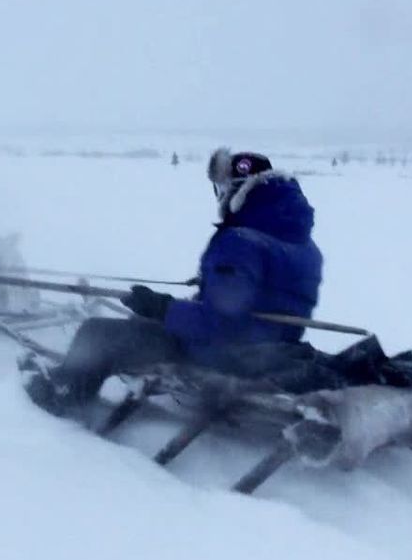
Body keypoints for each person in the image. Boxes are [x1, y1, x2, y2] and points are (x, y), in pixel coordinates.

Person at [25, 147, 324, 414]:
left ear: (239, 192)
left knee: (97, 333)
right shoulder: (303, 245)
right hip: (269, 351)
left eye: (222, 189)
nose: (220, 196)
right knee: (142, 327)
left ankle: (61, 394)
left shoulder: (241, 241)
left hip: (224, 354)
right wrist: (214, 284)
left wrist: (160, 307)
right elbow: (267, 294)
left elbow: (220, 323)